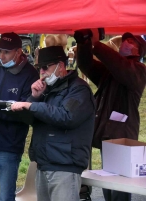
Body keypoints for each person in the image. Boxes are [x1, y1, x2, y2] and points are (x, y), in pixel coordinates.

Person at [10, 46, 96, 201]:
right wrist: (34, 98)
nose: (42, 72)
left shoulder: (79, 89)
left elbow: (66, 116)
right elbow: (30, 120)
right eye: (39, 68)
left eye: (45, 67)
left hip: (65, 166)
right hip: (43, 163)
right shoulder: (46, 89)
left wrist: (32, 105)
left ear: (61, 66)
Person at [76, 30, 146, 201]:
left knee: (121, 186)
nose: (125, 43)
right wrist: (84, 43)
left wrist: (98, 45)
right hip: (108, 135)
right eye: (124, 40)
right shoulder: (110, 71)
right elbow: (86, 65)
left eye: (131, 41)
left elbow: (121, 68)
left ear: (139, 51)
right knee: (108, 181)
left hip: (122, 138)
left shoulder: (138, 70)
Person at [0, 32, 39, 201]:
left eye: (6, 52)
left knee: (5, 197)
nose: (1, 55)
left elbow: (27, 112)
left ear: (18, 52)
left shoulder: (31, 74)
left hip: (9, 146)